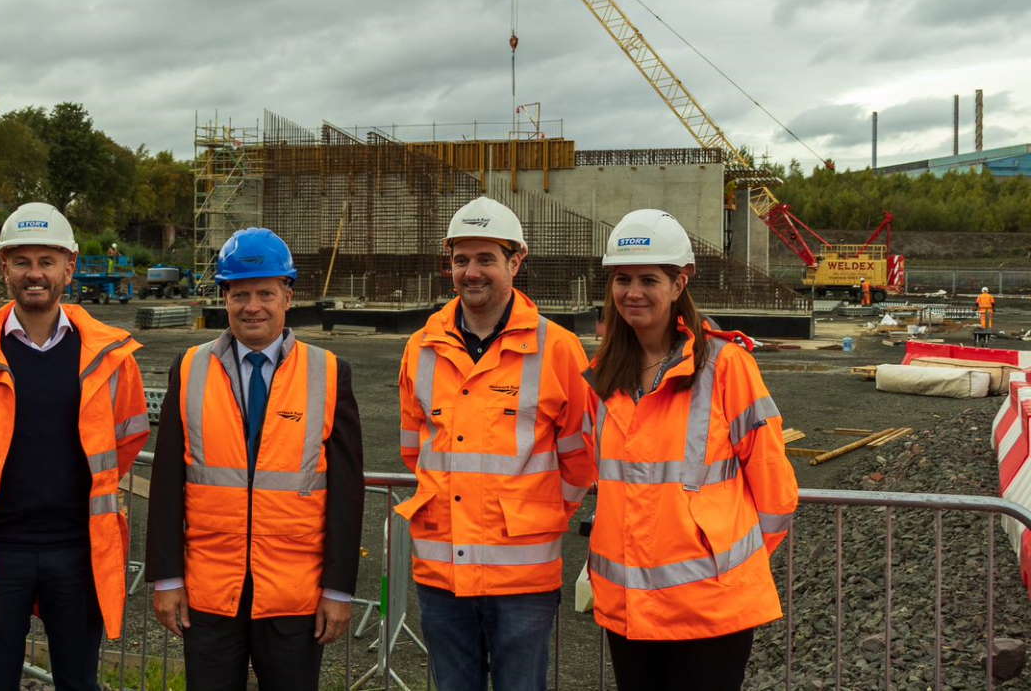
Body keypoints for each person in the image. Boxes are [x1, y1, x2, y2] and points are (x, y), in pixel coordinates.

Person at [0, 202, 150, 691]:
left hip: (79, 546)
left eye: (47, 261)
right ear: (4, 268)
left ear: (70, 265)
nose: (35, 274)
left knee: (78, 679)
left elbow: (128, 439)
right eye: (22, 262)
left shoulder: (110, 356)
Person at [584, 208, 798, 691]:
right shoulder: (603, 375)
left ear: (681, 283)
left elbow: (775, 489)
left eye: (648, 279)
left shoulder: (727, 367)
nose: (632, 292)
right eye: (621, 279)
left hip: (709, 609)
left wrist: (724, 563)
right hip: (628, 606)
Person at [146, 227, 364, 691]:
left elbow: (347, 493)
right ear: (224, 297)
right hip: (209, 593)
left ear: (288, 295)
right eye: (240, 293)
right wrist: (166, 579)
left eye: (266, 292)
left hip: (294, 595)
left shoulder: (328, 373)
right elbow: (167, 483)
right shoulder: (189, 369)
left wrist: (339, 589)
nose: (253, 306)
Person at [397, 196, 595, 691]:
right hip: (441, 573)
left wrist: (538, 516)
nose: (471, 272)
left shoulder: (559, 350)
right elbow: (414, 448)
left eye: (486, 258)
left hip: (522, 581)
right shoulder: (420, 348)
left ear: (516, 261)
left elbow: (581, 462)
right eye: (461, 259)